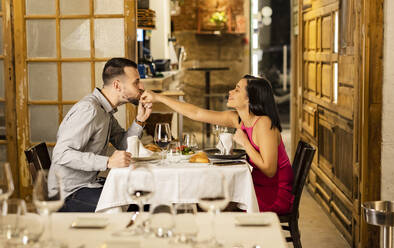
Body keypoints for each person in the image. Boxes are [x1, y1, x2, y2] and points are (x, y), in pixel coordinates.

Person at [141, 75, 294, 214]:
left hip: (273, 195)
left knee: (208, 204)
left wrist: (245, 142)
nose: (230, 91)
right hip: (254, 187)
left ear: (250, 99)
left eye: (237, 90)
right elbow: (196, 113)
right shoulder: (238, 119)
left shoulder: (264, 123)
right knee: (203, 199)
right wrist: (158, 97)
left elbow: (269, 170)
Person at [49, 58, 152, 212]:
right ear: (117, 85)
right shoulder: (90, 110)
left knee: (146, 194)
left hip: (88, 185)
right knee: (139, 204)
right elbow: (61, 154)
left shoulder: (105, 111)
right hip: (68, 194)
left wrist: (139, 121)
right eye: (136, 82)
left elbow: (123, 145)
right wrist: (108, 162)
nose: (141, 87)